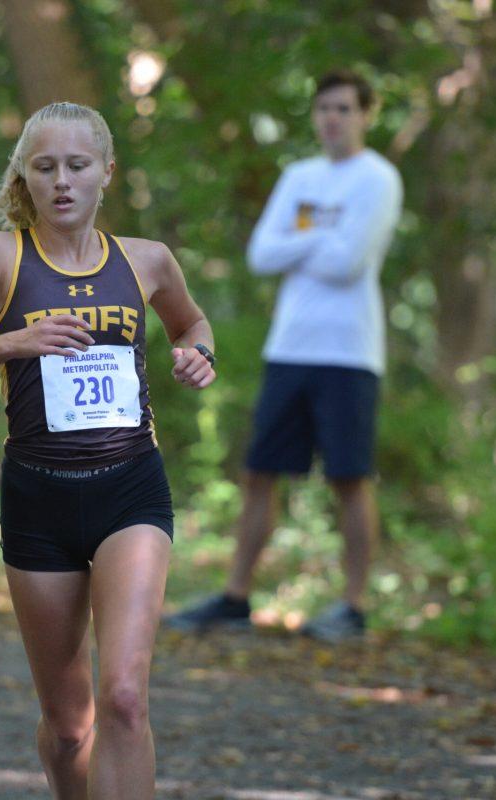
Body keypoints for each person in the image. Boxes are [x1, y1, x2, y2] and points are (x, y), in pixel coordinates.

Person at [0, 101, 215, 799]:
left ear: (107, 172)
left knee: (125, 700)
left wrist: (197, 352)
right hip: (38, 497)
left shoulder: (147, 260)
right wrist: (13, 341)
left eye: (78, 166)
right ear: (25, 175)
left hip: (131, 489)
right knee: (70, 724)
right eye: (44, 167)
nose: (62, 181)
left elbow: (192, 321)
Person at [165, 70, 403, 642]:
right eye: (324, 107)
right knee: (257, 472)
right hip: (290, 346)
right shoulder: (300, 175)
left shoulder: (378, 178)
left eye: (344, 108)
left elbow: (349, 264)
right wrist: (325, 238)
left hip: (349, 352)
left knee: (348, 477)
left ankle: (352, 607)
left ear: (366, 114)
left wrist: (305, 242)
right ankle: (236, 598)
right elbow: (261, 255)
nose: (332, 118)